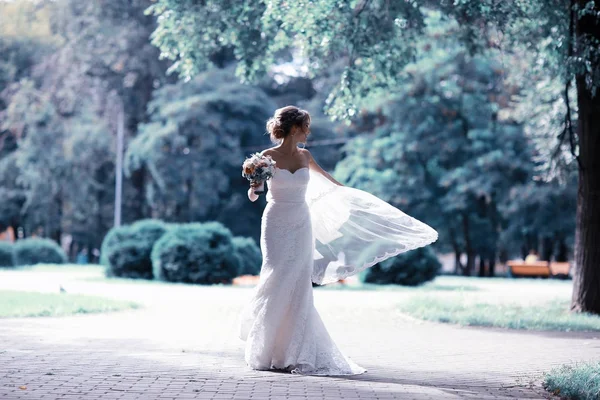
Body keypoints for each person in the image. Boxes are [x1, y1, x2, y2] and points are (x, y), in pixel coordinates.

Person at [238, 106, 437, 375]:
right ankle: (265, 346)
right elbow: (255, 195)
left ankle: (290, 351)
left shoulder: (305, 155)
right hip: (275, 221)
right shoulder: (267, 158)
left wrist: (358, 202)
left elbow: (332, 183)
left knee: (297, 280)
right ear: (294, 128)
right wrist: (253, 183)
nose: (308, 131)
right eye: (306, 126)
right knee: (276, 275)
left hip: (301, 221)